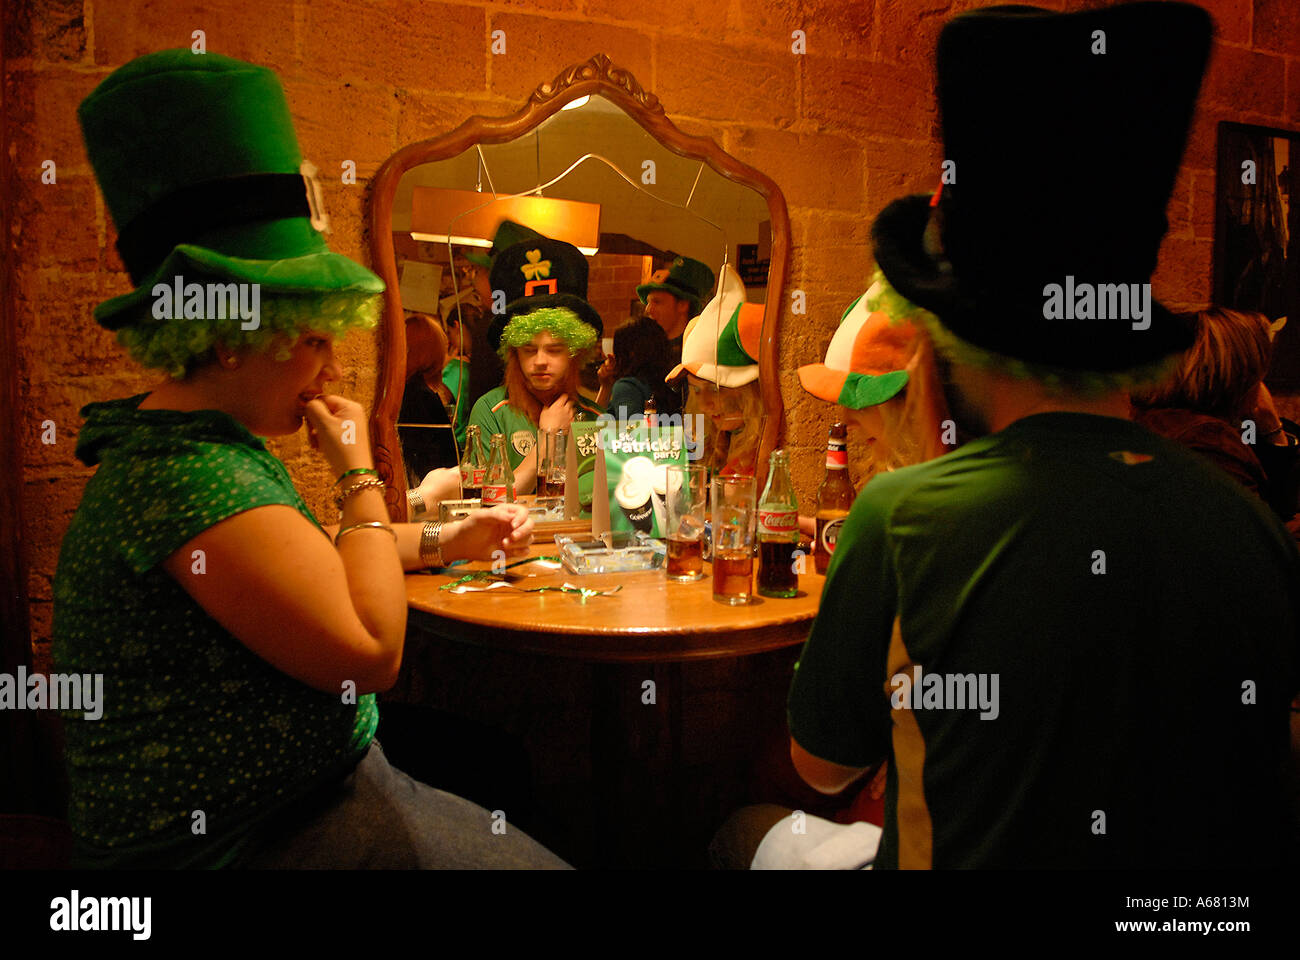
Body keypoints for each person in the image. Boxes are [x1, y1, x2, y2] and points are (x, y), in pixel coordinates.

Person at [786, 3, 1298, 869]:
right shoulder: (1245, 519)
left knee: (743, 834)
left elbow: (824, 769)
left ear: (946, 330)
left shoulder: (902, 516)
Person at [53, 50, 566, 870]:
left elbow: (309, 562)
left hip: (314, 787)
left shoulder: (199, 445)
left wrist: (446, 544)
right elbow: (369, 655)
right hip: (249, 835)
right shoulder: (192, 478)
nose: (331, 369)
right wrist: (360, 476)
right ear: (231, 336)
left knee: (506, 768)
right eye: (317, 338)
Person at [711, 275, 954, 869]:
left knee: (737, 815)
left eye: (860, 395)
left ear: (907, 396)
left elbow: (820, 770)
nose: (843, 410)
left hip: (910, 836)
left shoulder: (895, 508)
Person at [1131, 307, 1300, 537]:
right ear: (1239, 374)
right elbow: (1253, 546)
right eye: (1259, 372)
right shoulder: (1208, 442)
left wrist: (1271, 427)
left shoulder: (1153, 422)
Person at [468, 237, 605, 494]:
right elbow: (486, 500)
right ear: (513, 352)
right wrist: (547, 438)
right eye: (529, 350)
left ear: (575, 352)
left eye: (554, 350)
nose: (540, 361)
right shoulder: (491, 412)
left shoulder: (595, 419)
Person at [666, 264, 765, 476]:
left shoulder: (767, 457)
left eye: (715, 388)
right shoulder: (722, 444)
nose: (703, 404)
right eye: (697, 390)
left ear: (750, 389)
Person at [595, 315, 682, 422]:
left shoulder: (627, 387)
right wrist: (606, 386)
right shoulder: (673, 384)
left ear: (629, 352)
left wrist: (608, 386)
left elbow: (631, 432)